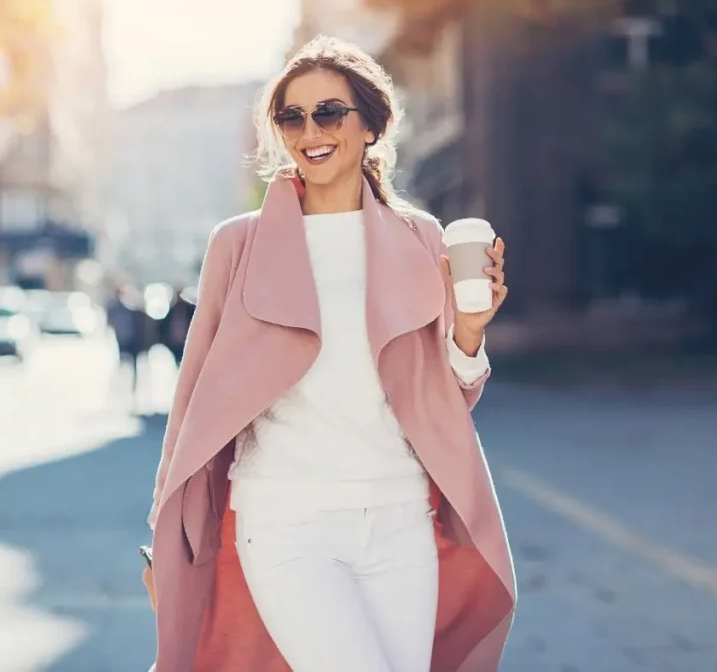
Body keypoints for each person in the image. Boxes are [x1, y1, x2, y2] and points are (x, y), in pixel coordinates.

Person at [143, 36, 516, 672]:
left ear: (371, 124)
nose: (309, 131)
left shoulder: (420, 237)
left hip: (400, 519)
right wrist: (164, 530)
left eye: (329, 112)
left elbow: (442, 394)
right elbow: (195, 396)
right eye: (292, 116)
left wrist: (471, 331)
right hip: (287, 522)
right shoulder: (240, 245)